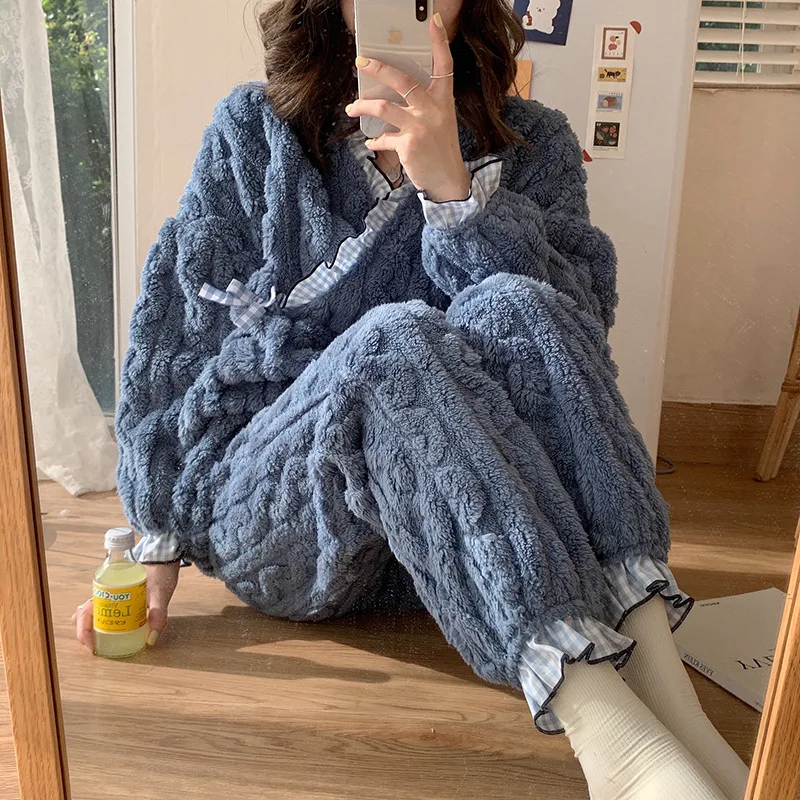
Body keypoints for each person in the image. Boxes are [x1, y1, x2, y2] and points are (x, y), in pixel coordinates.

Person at [73, 2, 749, 797]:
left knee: (521, 303)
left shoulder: (534, 146)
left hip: (447, 547)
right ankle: (614, 742)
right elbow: (178, 330)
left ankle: (665, 687)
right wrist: (154, 540)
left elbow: (571, 353)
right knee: (395, 339)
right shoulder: (254, 131)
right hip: (279, 510)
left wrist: (458, 195)